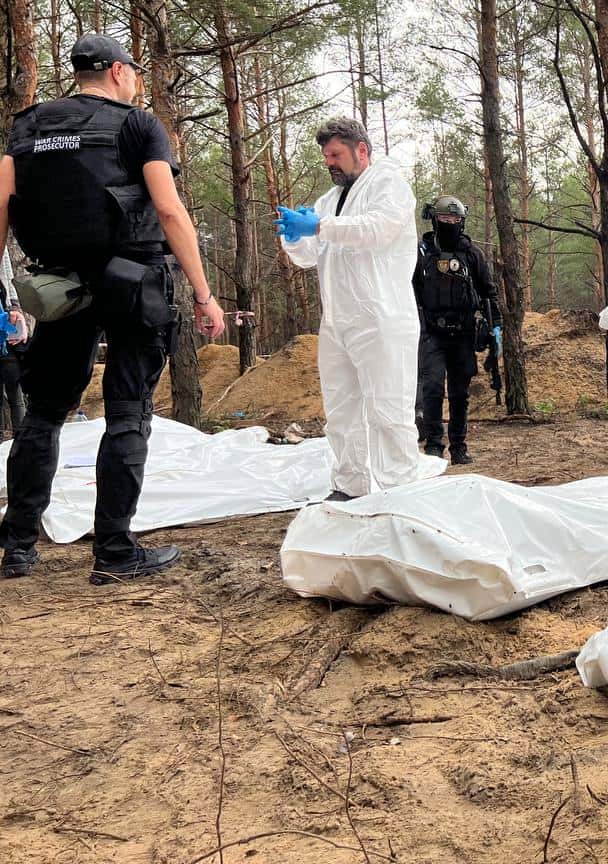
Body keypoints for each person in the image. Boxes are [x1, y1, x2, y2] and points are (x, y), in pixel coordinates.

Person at [0, 32, 226, 582]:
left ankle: (17, 546)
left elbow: (2, 207)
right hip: (133, 284)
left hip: (60, 289)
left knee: (44, 412)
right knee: (128, 411)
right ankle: (115, 553)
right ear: (120, 72)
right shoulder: (138, 125)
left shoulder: (27, 127)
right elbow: (169, 211)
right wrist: (204, 294)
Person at [278, 117, 421, 501]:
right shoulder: (329, 200)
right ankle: (349, 485)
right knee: (341, 411)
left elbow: (376, 229)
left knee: (388, 411)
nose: (329, 163)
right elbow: (309, 256)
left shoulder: (388, 184)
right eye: (326, 156)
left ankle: (400, 492)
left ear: (361, 150)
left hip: (382, 317)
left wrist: (319, 226)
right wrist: (294, 237)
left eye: (335, 154)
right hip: (338, 321)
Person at [412, 194, 499, 464]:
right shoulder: (421, 253)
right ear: (434, 219)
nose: (450, 223)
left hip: (463, 333)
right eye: (444, 218)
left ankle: (459, 447)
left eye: (455, 219)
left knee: (460, 393)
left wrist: (495, 326)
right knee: (432, 389)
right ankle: (434, 446)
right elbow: (409, 290)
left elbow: (488, 292)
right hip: (431, 333)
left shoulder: (472, 254)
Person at [0, 279, 26, 439]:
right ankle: (21, 441)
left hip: (8, 349)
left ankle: (20, 439)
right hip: (9, 348)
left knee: (16, 398)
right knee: (16, 399)